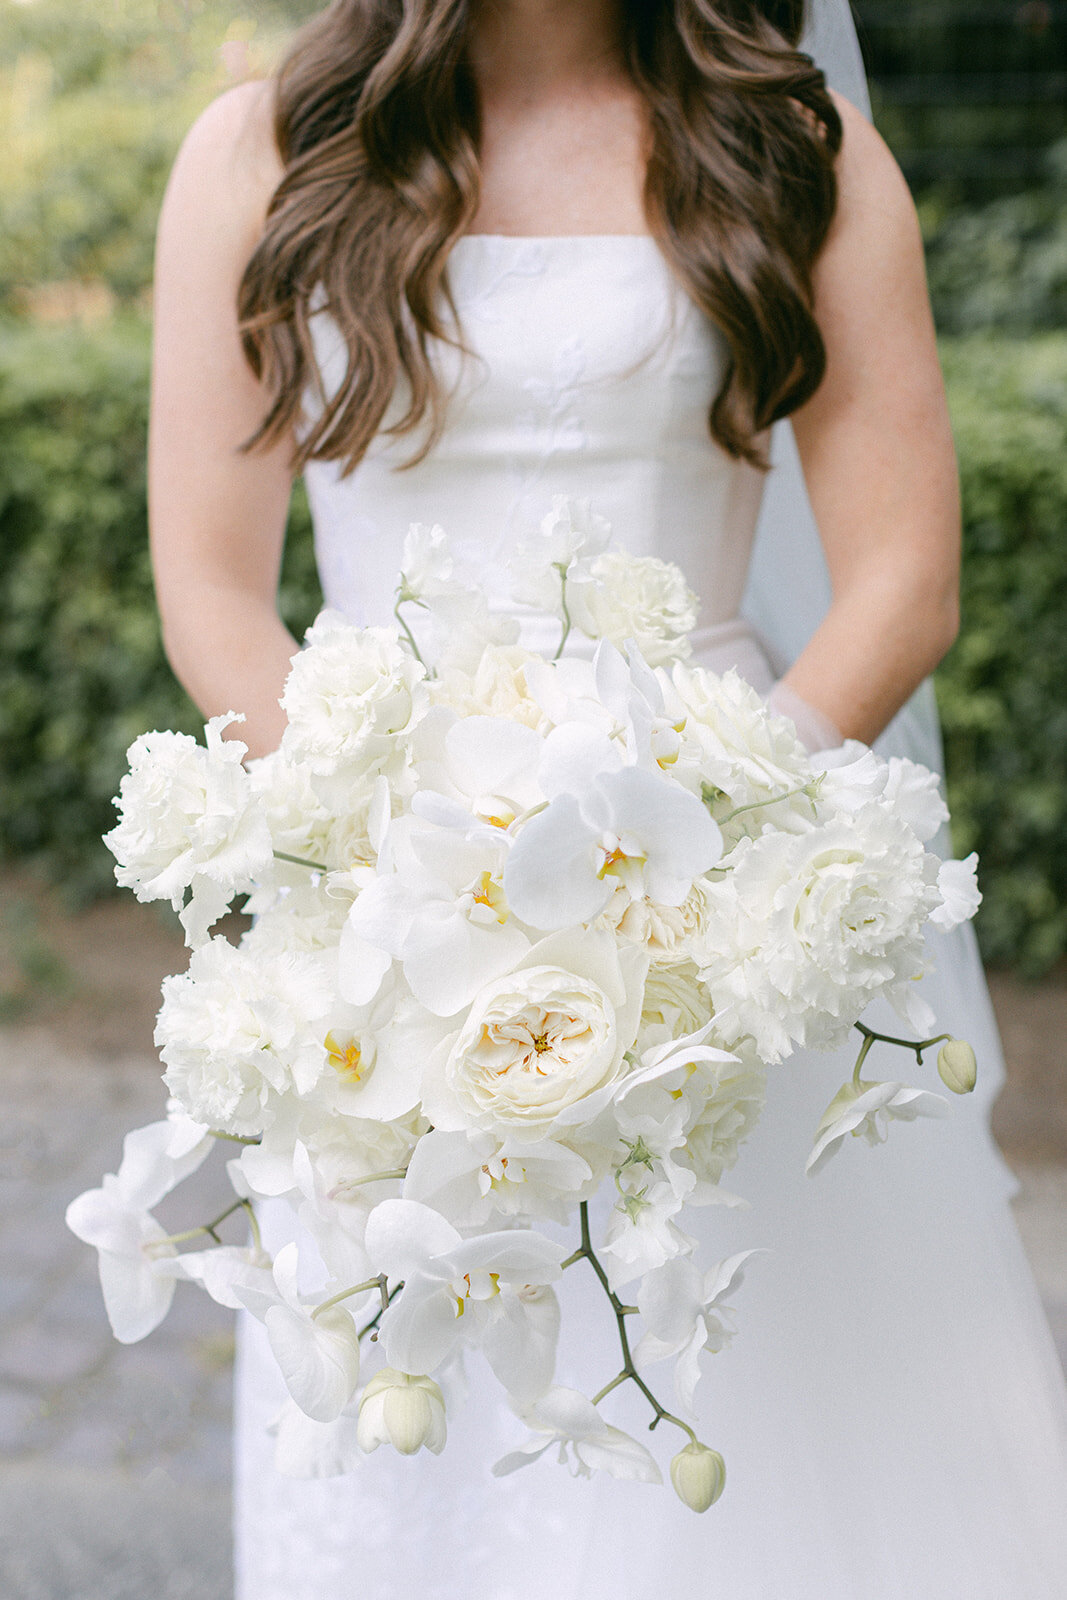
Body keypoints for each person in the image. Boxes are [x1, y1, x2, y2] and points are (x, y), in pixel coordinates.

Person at [148, 1, 1067, 1595]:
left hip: (714, 895)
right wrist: (390, 880)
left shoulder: (794, 153)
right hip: (377, 936)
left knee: (740, 1428)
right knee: (413, 1426)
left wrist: (702, 882)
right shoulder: (264, 154)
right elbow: (213, 590)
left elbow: (904, 581)